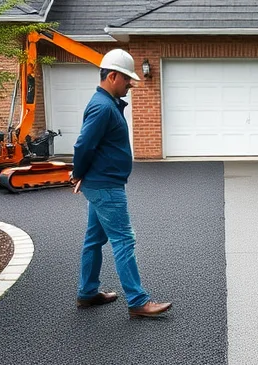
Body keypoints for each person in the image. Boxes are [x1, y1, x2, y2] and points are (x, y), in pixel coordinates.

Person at [69, 49, 172, 319]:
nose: (131, 84)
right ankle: (138, 301)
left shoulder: (107, 104)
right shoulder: (103, 107)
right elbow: (83, 145)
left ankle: (87, 292)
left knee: (94, 239)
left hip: (102, 183)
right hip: (106, 186)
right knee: (124, 239)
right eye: (127, 78)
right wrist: (77, 174)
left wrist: (82, 175)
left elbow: (93, 145)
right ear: (112, 76)